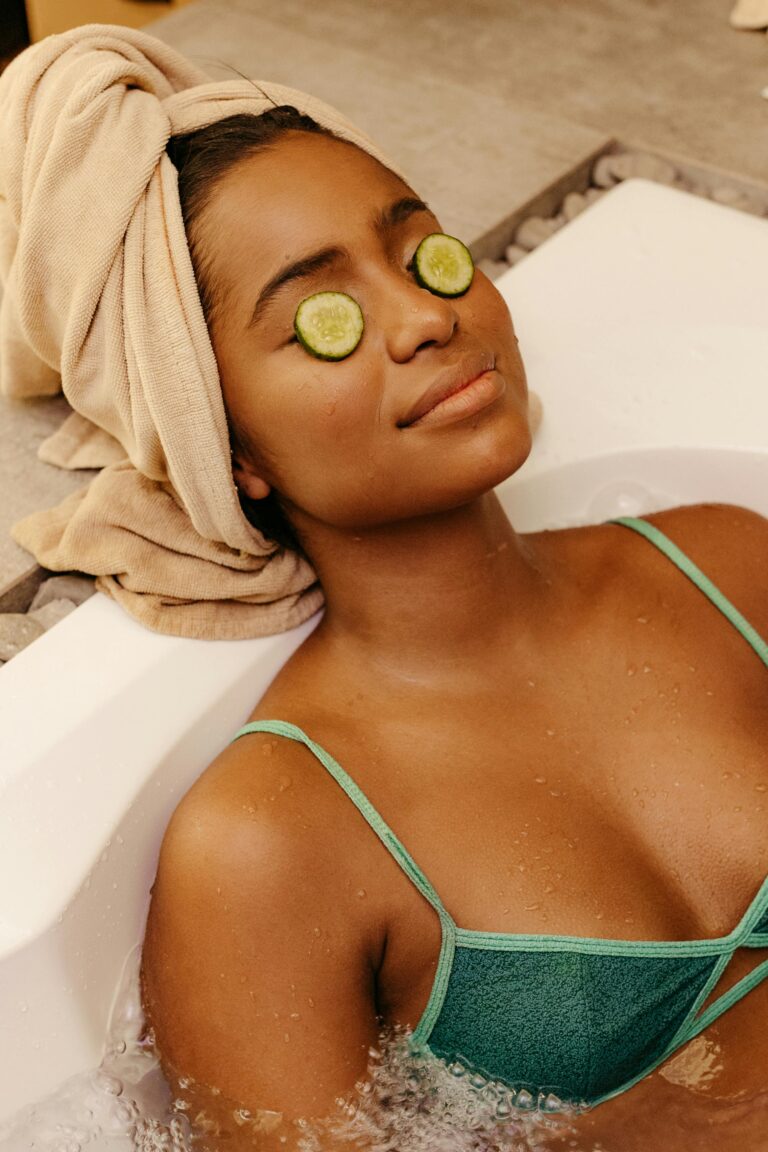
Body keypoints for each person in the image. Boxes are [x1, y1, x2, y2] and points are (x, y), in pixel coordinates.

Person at [138, 106, 768, 1150]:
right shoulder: (266, 842)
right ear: (230, 446)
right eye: (321, 315)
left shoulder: (730, 566)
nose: (427, 317)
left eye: (423, 254)